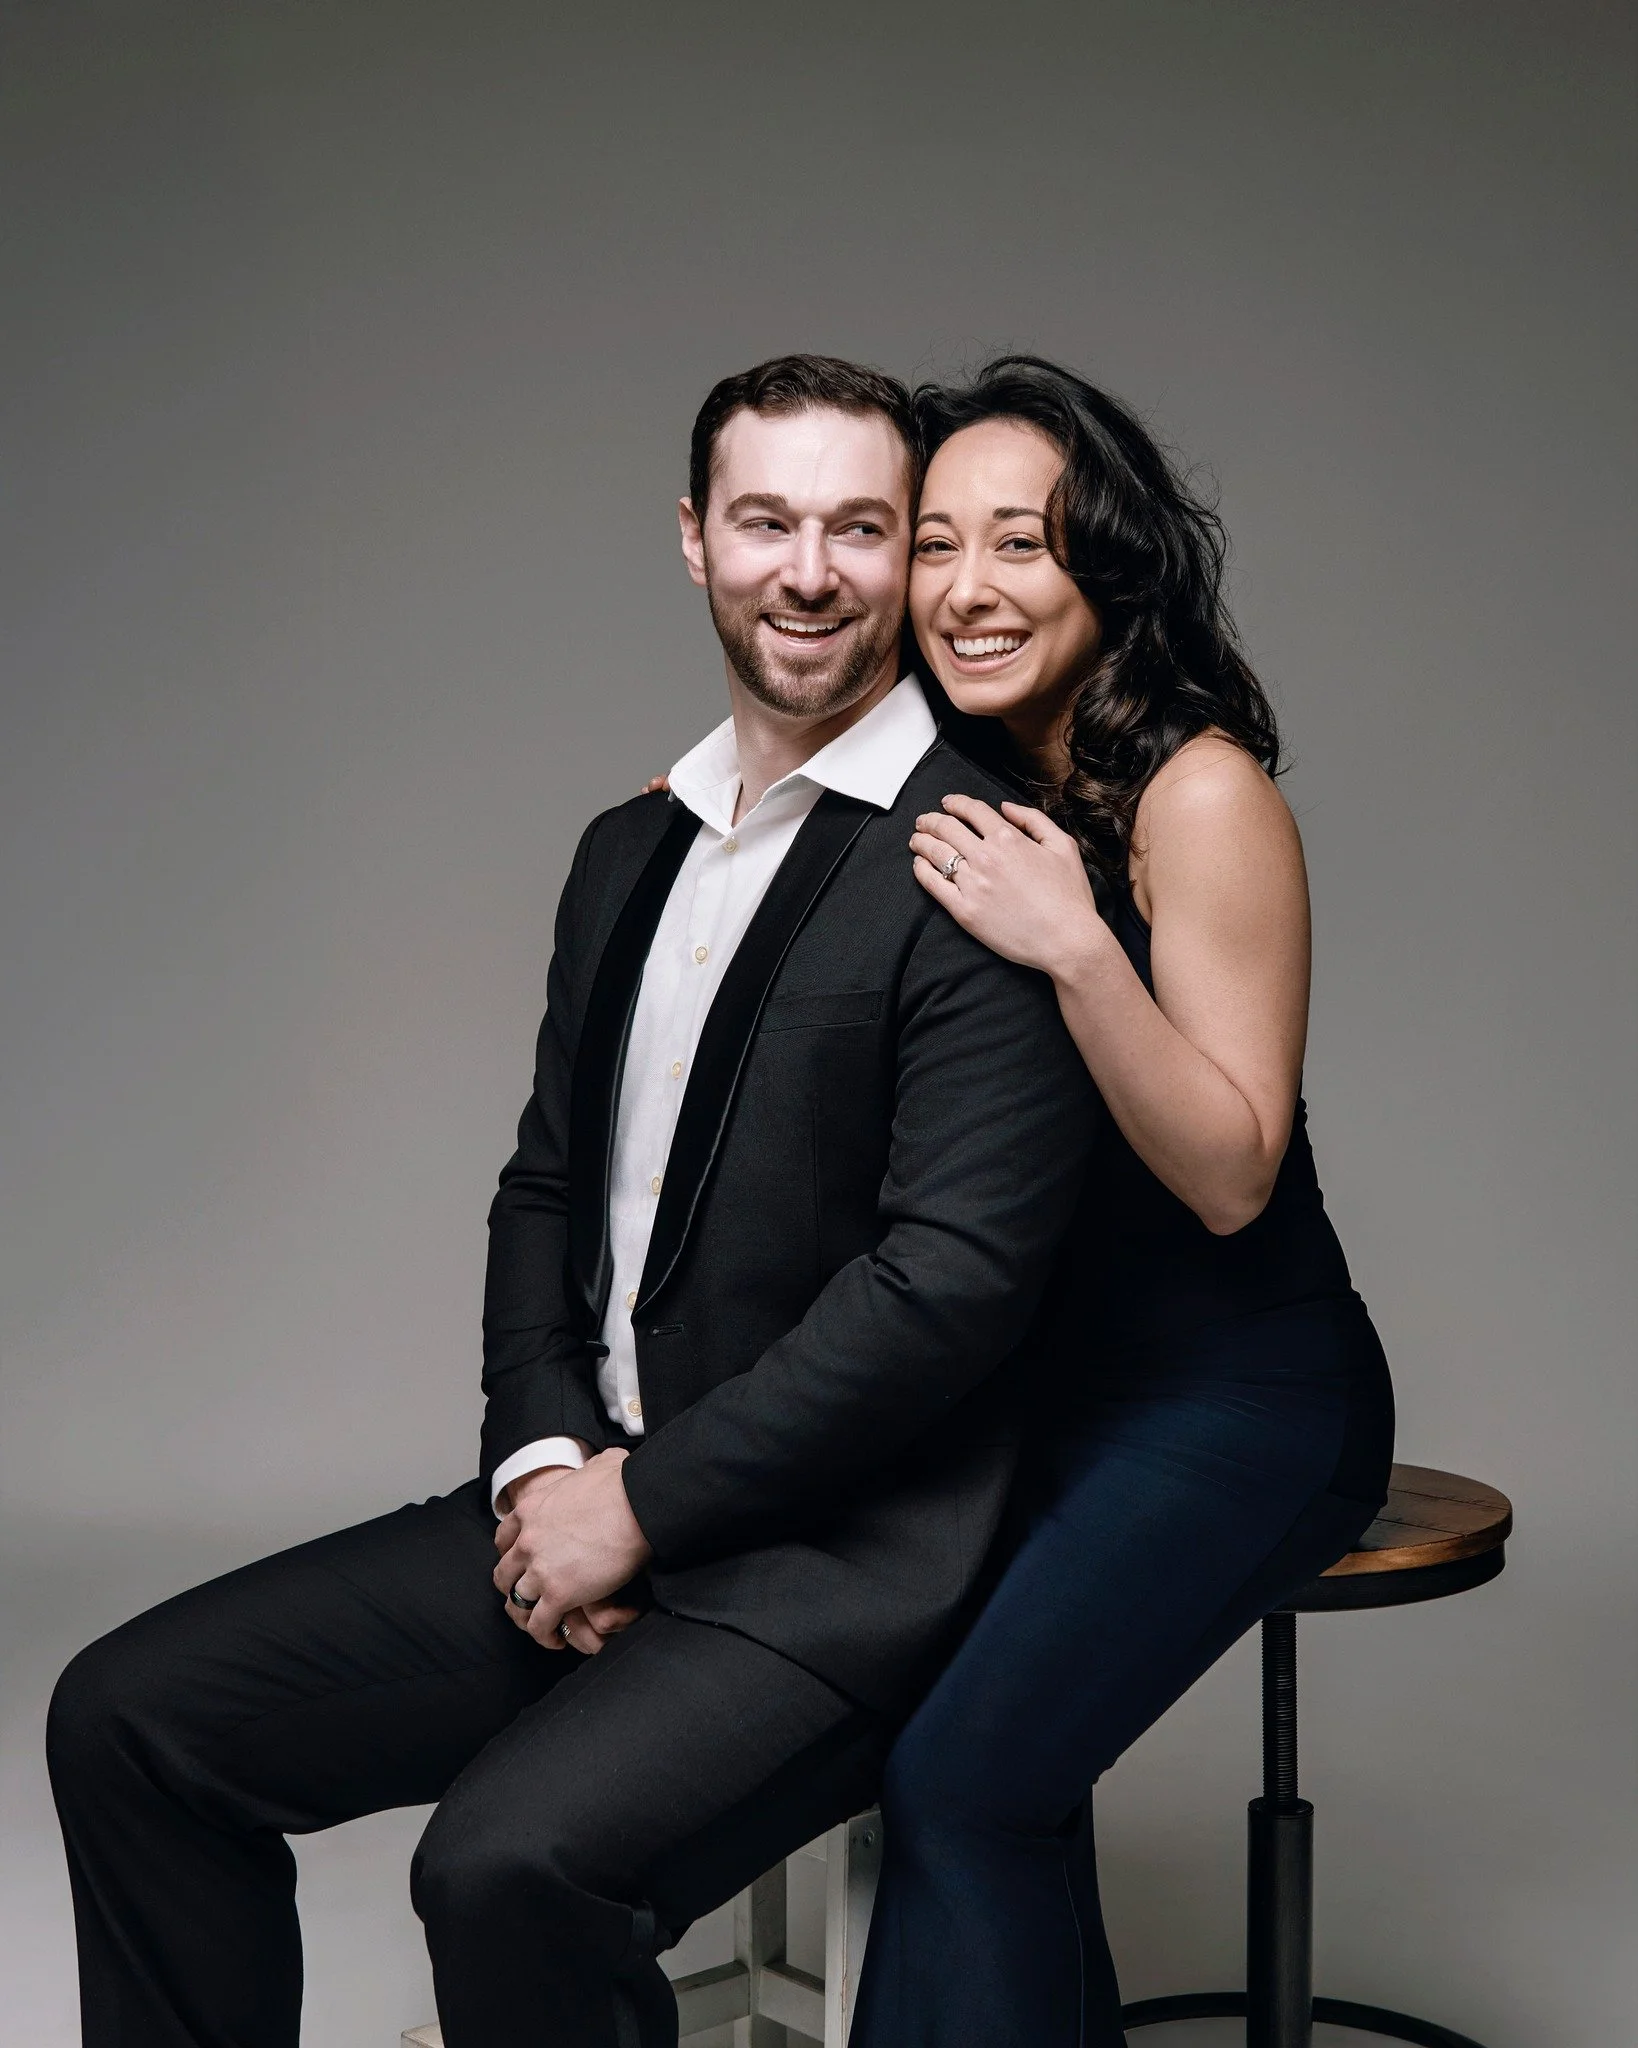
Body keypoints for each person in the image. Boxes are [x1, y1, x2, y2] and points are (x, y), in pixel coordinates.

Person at [45, 355, 1100, 2048]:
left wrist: (648, 1505)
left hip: (830, 1570)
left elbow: (948, 1293)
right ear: (695, 540)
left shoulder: (980, 852)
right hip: (590, 1502)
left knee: (505, 1869)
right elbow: (548, 1185)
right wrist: (547, 1465)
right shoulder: (631, 845)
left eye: (858, 527)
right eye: (766, 522)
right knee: (129, 1721)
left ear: (909, 555)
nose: (810, 571)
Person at [849, 357, 1397, 2047]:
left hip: (1243, 1396)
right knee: (953, 1755)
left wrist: (1077, 942)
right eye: (935, 543)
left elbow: (1231, 1173)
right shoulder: (968, 779)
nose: (967, 587)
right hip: (1053, 1399)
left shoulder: (1197, 792)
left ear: (1110, 566)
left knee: (966, 1783)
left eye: (1021, 541)